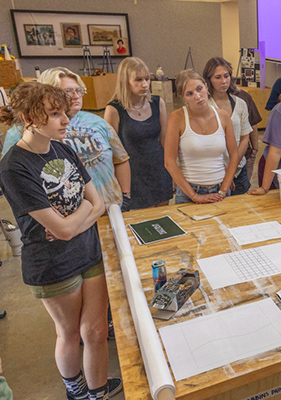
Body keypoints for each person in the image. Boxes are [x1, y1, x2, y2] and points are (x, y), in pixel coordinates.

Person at [0, 82, 122, 400]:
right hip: (52, 263)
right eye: (55, 114)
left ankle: (97, 392)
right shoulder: (14, 167)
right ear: (28, 117)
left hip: (88, 252)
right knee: (68, 333)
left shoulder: (62, 147)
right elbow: (72, 221)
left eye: (64, 112)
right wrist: (76, 219)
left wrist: (72, 223)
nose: (66, 120)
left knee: (95, 332)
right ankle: (76, 389)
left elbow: (97, 203)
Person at [2, 67, 132, 212]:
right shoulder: (22, 132)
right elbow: (16, 184)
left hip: (110, 207)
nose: (76, 96)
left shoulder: (97, 122)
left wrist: (125, 196)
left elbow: (120, 159)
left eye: (79, 90)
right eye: (68, 92)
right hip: (63, 217)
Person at [104, 57, 173, 209]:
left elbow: (165, 141)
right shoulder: (114, 110)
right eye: (138, 80)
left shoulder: (157, 102)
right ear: (125, 81)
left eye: (147, 79)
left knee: (164, 217)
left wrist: (172, 172)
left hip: (158, 170)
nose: (144, 84)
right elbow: (110, 152)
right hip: (133, 175)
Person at [164, 69, 238, 204]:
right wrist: (194, 196)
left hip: (220, 188)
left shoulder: (222, 116)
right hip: (189, 191)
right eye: (189, 94)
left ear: (206, 86)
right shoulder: (177, 118)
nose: (197, 96)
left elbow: (234, 156)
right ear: (183, 97)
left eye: (199, 89)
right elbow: (169, 162)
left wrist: (223, 189)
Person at [203, 57, 252, 195]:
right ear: (209, 80)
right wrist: (222, 168)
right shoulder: (204, 106)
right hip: (214, 171)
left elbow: (244, 138)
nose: (223, 81)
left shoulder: (240, 103)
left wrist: (232, 165)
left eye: (226, 76)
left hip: (238, 170)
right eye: (218, 77)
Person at [236, 88, 262, 182]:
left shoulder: (243, 98)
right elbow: (253, 125)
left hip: (244, 155)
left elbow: (252, 125)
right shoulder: (244, 96)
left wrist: (254, 149)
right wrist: (254, 149)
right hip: (223, 159)